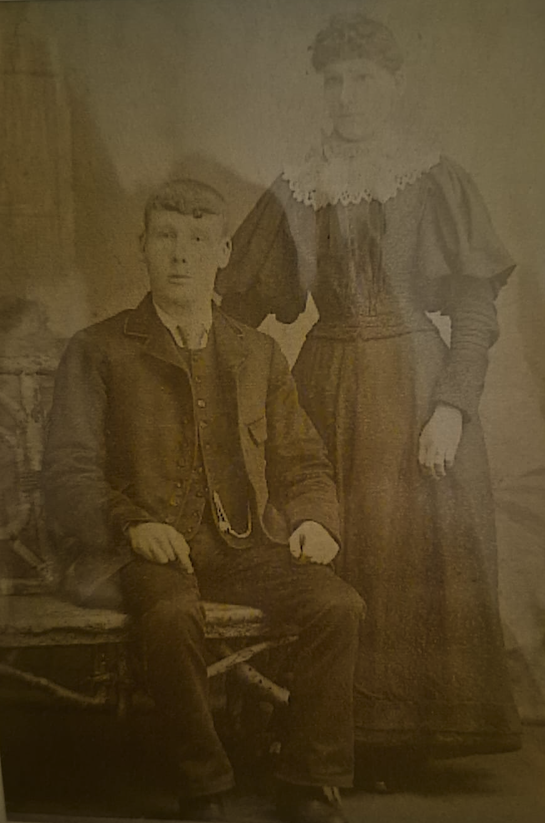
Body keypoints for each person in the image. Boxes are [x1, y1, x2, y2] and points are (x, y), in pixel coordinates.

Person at [217, 13, 522, 786]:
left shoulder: (432, 177)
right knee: (332, 541)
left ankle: (403, 739)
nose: (347, 96)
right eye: (334, 81)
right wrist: (238, 403)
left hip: (415, 387)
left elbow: (475, 309)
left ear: (394, 85)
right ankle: (331, 735)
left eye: (362, 79)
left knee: (411, 550)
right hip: (322, 385)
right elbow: (240, 311)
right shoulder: (297, 184)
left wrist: (450, 407)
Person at [42, 178, 364, 823]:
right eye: (165, 237)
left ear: (223, 253)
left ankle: (307, 779)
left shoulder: (258, 353)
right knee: (169, 616)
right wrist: (132, 524)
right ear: (143, 246)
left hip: (241, 545)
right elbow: (67, 474)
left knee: (339, 605)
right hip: (134, 553)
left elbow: (304, 460)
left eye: (197, 239)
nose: (180, 254)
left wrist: (315, 520)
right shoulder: (98, 349)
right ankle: (203, 784)